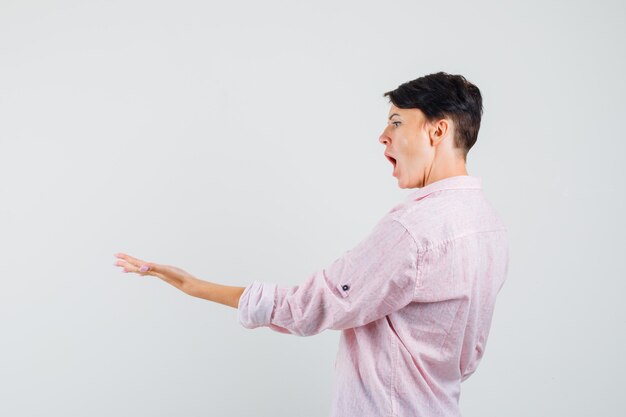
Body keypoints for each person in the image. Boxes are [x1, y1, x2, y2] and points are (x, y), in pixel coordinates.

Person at [114, 71, 510, 417]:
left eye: (396, 122)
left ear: (437, 130)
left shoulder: (413, 229)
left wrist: (192, 284)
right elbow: (467, 358)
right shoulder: (489, 226)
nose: (383, 136)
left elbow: (308, 307)